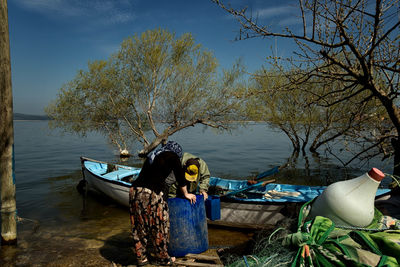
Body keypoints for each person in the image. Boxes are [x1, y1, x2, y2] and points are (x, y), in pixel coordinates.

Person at [129, 141, 196, 266]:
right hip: (151, 193)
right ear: (177, 152)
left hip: (135, 191)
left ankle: (141, 258)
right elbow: (180, 177)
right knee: (160, 225)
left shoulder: (153, 154)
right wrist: (186, 194)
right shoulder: (173, 156)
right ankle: (163, 258)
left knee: (139, 225)